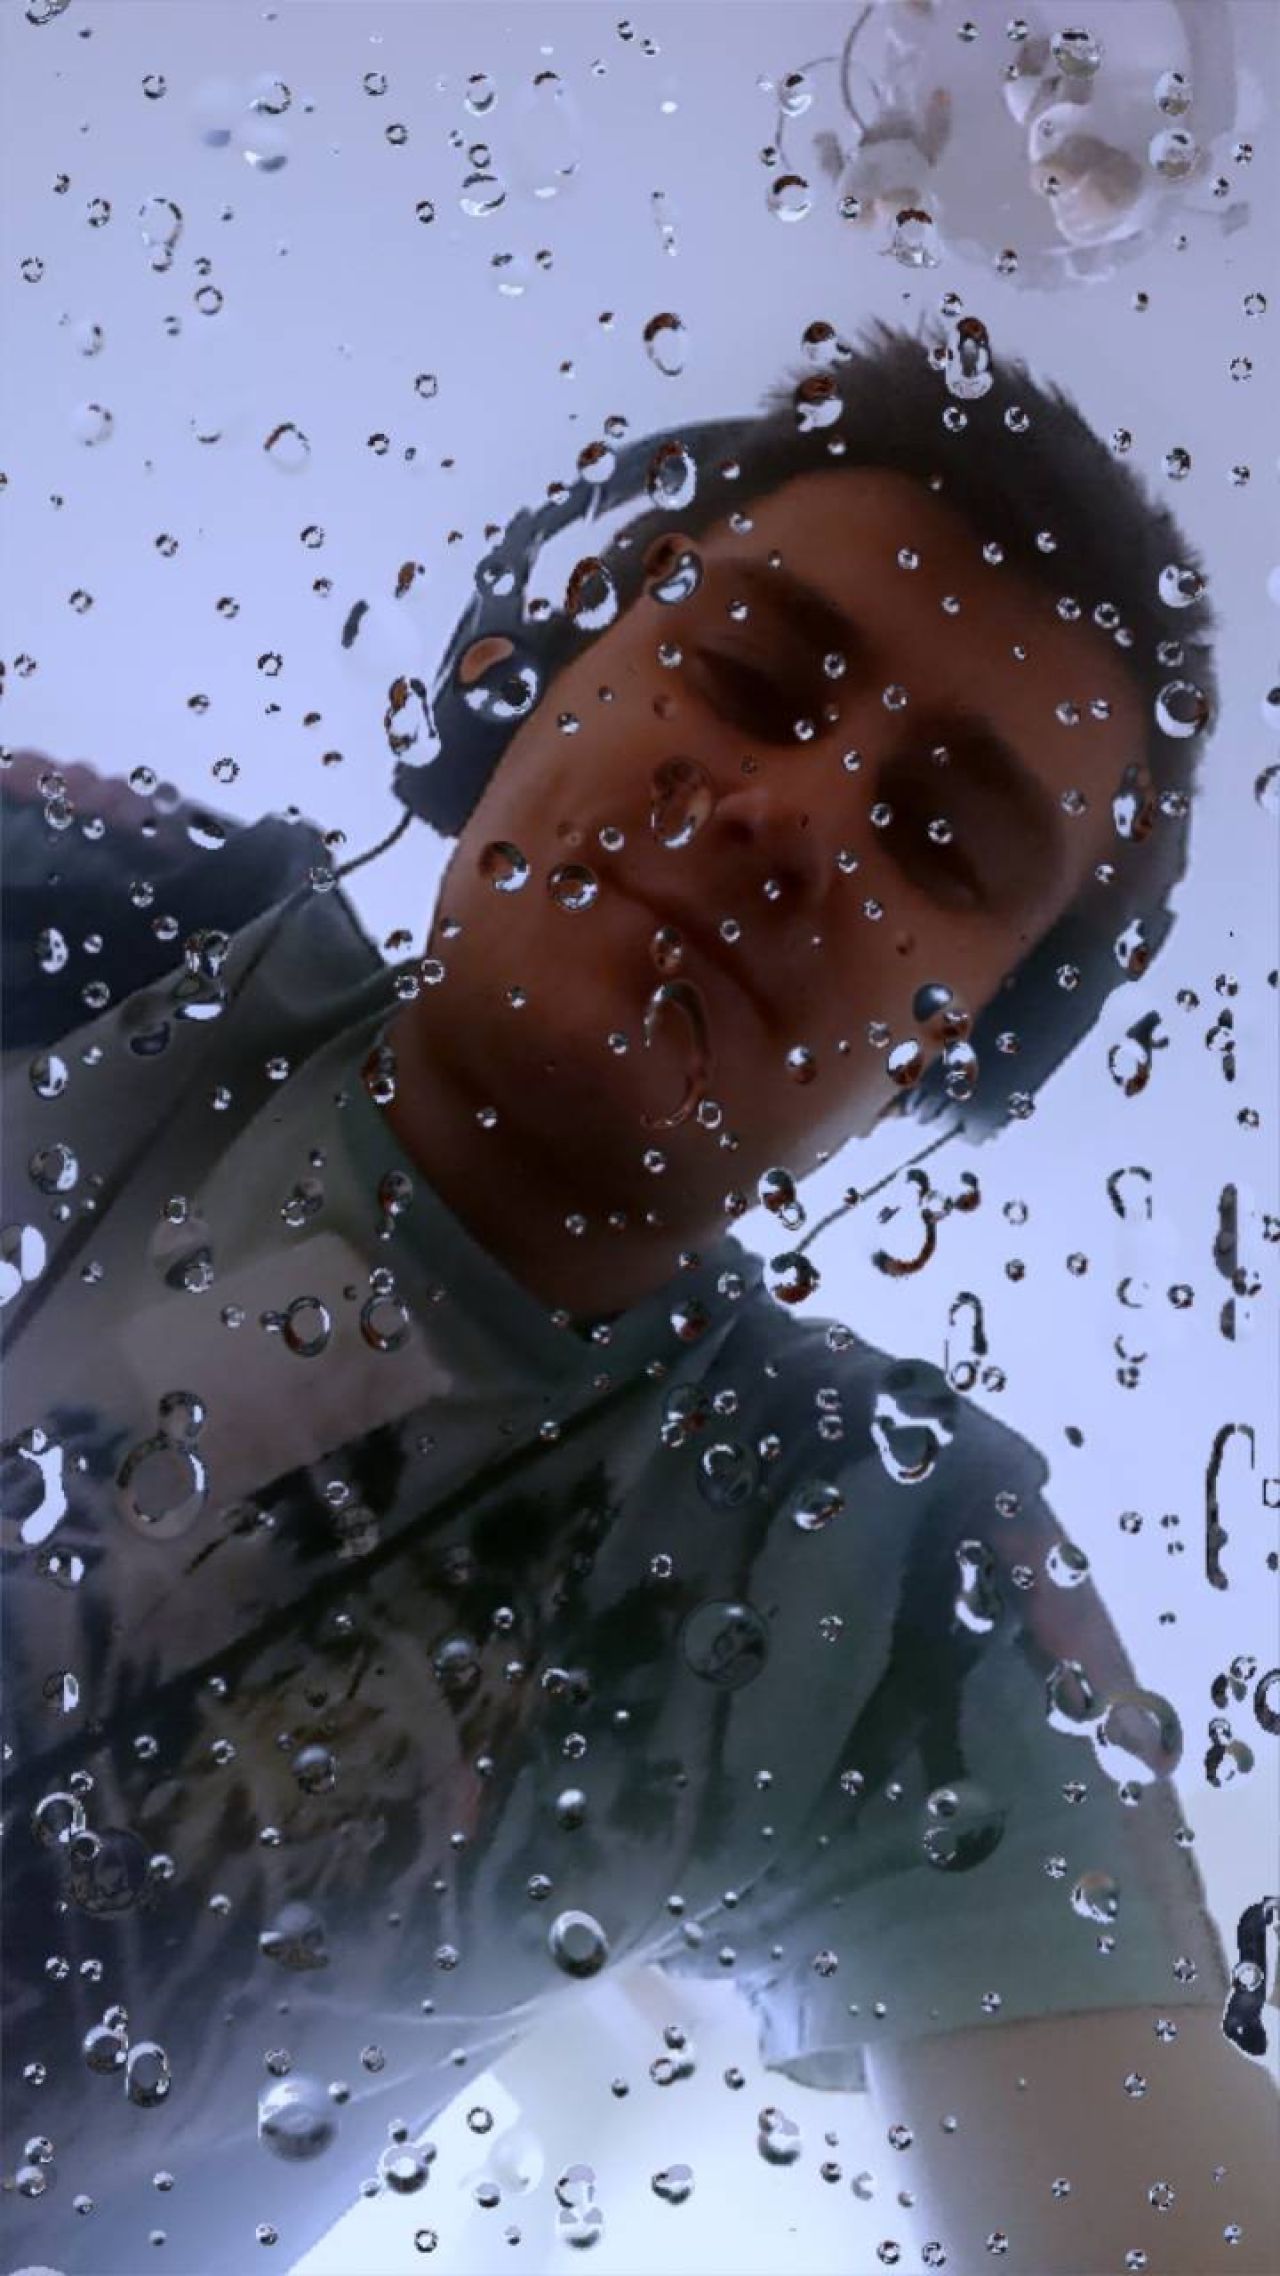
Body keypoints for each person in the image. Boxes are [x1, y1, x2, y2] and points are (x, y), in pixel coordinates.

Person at [2, 320, 1275, 2274]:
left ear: (955, 1051)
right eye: (749, 678)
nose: (797, 817)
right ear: (531, 678)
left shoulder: (874, 1577)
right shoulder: (101, 920)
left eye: (939, 841)